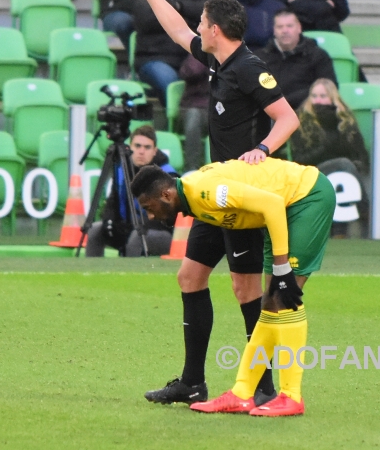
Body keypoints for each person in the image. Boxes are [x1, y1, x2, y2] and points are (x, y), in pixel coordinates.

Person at [122, 0, 301, 407]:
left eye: (203, 23)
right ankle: (192, 381)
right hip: (213, 195)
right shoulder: (220, 60)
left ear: (216, 30)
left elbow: (287, 120)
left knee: (244, 287)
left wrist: (261, 150)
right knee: (189, 276)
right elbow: (176, 27)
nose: (197, 28)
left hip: (241, 199)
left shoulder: (250, 69)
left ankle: (262, 386)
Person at [130, 158, 335, 417]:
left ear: (166, 194)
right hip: (280, 212)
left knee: (284, 298)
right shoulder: (195, 197)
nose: (150, 215)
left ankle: (291, 396)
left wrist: (282, 268)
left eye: (150, 207)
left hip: (308, 198)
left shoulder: (208, 192)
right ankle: (242, 393)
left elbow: (271, 202)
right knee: (270, 305)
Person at [132, 0, 209, 107]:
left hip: (190, 58)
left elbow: (209, 13)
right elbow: (147, 20)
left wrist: (179, 6)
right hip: (154, 59)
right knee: (169, 81)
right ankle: (178, 123)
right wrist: (188, 17)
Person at [291, 78, 370, 235]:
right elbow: (300, 158)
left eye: (322, 96)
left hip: (345, 173)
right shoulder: (301, 120)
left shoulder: (345, 119)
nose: (318, 101)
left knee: (349, 168)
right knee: (344, 164)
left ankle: (341, 230)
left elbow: (361, 153)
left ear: (333, 98)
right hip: (312, 171)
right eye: (314, 96)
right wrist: (325, 146)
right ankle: (365, 211)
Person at [85, 125, 177, 257]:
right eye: (137, 146)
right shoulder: (122, 168)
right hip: (129, 227)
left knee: (137, 237)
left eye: (147, 147)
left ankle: (129, 274)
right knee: (95, 230)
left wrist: (139, 226)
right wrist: (109, 221)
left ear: (155, 151)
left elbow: (168, 217)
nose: (141, 151)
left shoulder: (168, 174)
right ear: (130, 147)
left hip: (162, 233)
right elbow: (113, 199)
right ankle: (91, 274)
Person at [256, 9, 337, 110]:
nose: (285, 31)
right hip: (269, 114)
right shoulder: (260, 57)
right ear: (274, 30)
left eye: (289, 26)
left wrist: (287, 102)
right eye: (280, 27)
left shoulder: (317, 55)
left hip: (306, 114)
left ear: (299, 28)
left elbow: (328, 88)